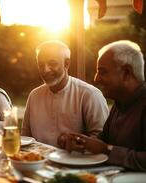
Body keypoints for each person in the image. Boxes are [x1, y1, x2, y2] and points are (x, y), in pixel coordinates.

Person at [58, 40, 146, 171]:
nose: (96, 79)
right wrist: (79, 141)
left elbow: (105, 148)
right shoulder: (120, 102)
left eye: (103, 72)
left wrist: (107, 150)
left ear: (127, 73)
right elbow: (102, 141)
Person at [22, 40, 109, 146]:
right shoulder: (34, 96)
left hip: (76, 161)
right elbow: (25, 138)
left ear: (66, 64)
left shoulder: (90, 95)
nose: (45, 70)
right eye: (41, 64)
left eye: (52, 64)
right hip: (37, 161)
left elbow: (102, 140)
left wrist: (78, 143)